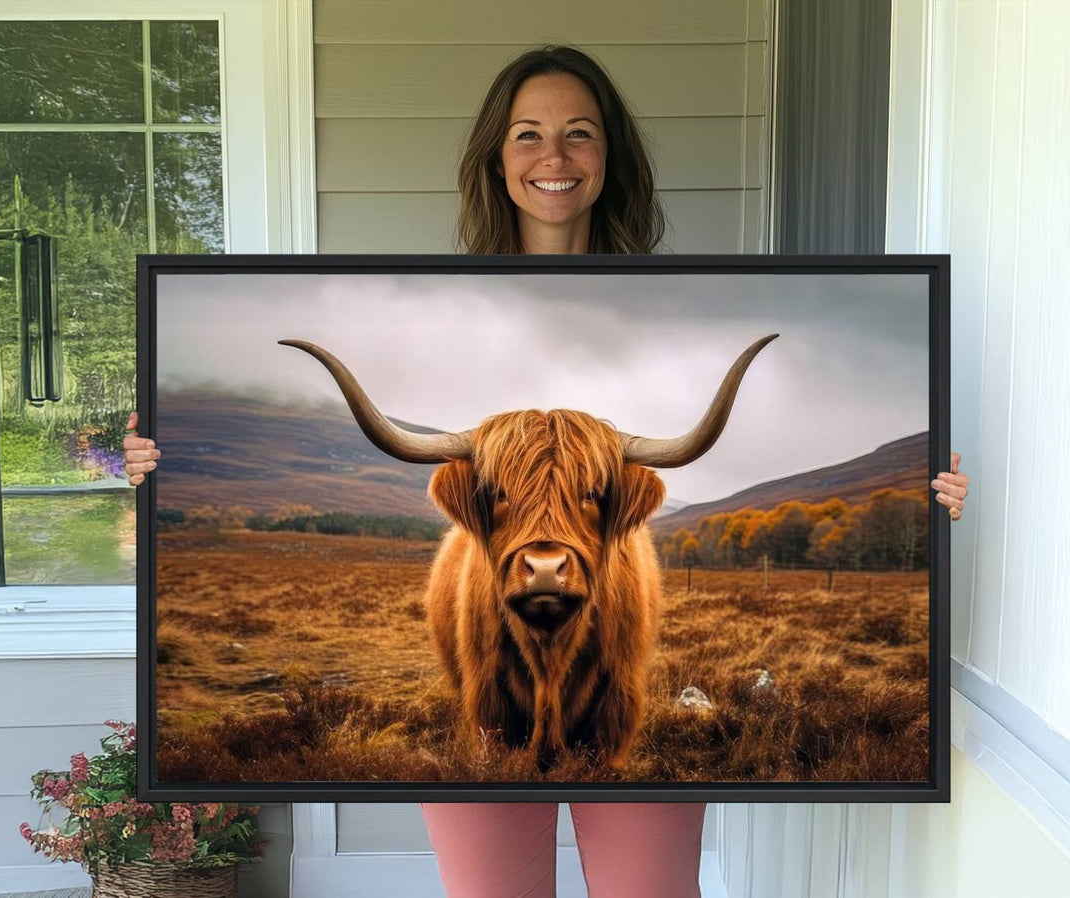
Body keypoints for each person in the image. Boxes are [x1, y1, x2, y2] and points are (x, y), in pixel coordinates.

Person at [122, 45, 970, 898]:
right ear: (497, 156)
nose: (553, 157)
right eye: (528, 135)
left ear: (610, 158)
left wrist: (933, 502)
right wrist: (155, 467)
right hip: (482, 641)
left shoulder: (687, 291)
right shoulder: (420, 297)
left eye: (579, 134)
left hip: (609, 650)